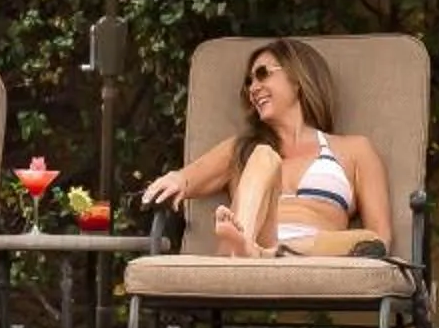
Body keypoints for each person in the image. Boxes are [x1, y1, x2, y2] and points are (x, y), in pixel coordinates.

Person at [140, 38, 392, 258]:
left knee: (370, 242)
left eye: (262, 74)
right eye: (249, 82)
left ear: (298, 79)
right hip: (252, 245)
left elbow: (380, 238)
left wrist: (280, 252)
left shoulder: (355, 150)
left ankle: (262, 254)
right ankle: (246, 245)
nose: (253, 88)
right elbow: (186, 179)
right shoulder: (241, 148)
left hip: (313, 253)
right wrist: (175, 180)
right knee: (264, 156)